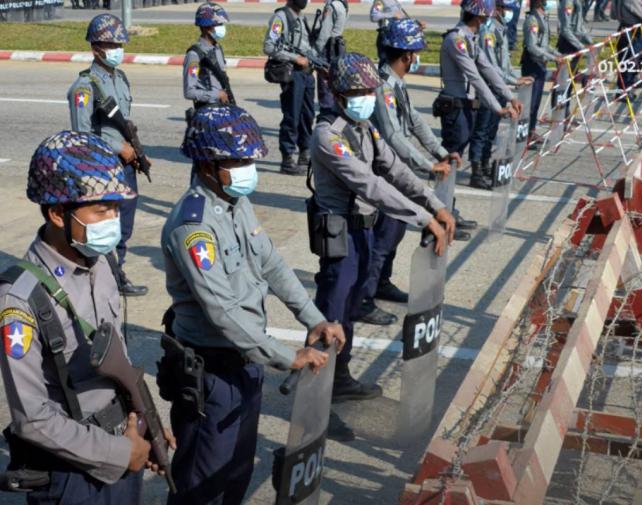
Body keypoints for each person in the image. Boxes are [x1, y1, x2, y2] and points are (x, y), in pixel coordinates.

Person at [160, 104, 345, 505]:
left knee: (237, 473)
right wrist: (285, 356)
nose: (248, 168)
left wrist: (314, 318)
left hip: (248, 363)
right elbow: (222, 311)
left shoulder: (233, 202)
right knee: (201, 483)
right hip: (213, 374)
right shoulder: (192, 226)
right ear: (208, 164)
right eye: (238, 160)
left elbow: (272, 263)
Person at [0, 130, 172, 505]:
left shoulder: (102, 262)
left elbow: (117, 359)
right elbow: (32, 417)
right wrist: (119, 454)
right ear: (58, 213)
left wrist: (147, 423)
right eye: (101, 209)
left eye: (115, 207)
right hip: (72, 476)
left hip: (124, 442)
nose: (113, 219)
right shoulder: (20, 299)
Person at [310, 52, 456, 406]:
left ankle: (339, 377)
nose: (366, 97)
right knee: (333, 310)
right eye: (359, 91)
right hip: (340, 233)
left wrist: (433, 203)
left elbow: (394, 169)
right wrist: (423, 218)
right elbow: (370, 185)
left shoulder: (364, 128)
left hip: (362, 230)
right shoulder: (329, 135)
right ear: (341, 94)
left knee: (350, 308)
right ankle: (316, 396)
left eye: (369, 90)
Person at [359, 19, 470, 326]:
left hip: (400, 170)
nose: (416, 57)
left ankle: (381, 283)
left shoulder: (396, 81)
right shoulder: (383, 86)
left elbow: (415, 123)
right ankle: (364, 298)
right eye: (415, 52)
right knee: (384, 236)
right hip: (386, 172)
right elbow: (394, 136)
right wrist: (426, 164)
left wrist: (439, 151)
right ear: (406, 55)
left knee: (392, 234)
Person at [67, 14, 148, 297]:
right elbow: (83, 136)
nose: (117, 49)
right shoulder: (84, 87)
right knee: (105, 225)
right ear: (95, 48)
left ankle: (115, 272)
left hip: (125, 165)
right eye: (111, 43)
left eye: (119, 43)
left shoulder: (120, 78)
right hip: (102, 169)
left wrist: (134, 151)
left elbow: (123, 121)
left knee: (124, 225)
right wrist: (118, 148)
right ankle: (108, 279)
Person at [436, 0, 521, 188]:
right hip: (455, 107)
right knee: (450, 157)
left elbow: (488, 69)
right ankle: (440, 206)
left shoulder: (471, 39)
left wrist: (510, 96)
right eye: (484, 16)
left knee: (454, 158)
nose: (486, 20)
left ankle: (445, 204)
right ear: (476, 17)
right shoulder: (456, 40)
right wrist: (498, 108)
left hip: (466, 105)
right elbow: (475, 76)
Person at [470, 0, 533, 187]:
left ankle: (485, 164)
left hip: (499, 86)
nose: (507, 13)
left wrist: (516, 77)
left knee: (491, 130)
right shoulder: (487, 31)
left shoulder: (500, 29)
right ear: (496, 9)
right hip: (488, 87)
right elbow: (491, 66)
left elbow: (504, 64)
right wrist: (513, 81)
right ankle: (476, 172)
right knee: (482, 130)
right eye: (504, 9)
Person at [263, 0, 319, 176]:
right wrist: (295, 58)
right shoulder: (280, 17)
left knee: (307, 115)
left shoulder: (301, 18)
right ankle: (287, 158)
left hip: (307, 73)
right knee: (292, 116)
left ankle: (305, 153)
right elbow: (269, 46)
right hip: (293, 73)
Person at [521, 0, 562, 147]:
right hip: (532, 65)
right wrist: (552, 58)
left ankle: (531, 131)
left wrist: (557, 55)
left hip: (540, 64)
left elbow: (544, 45)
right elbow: (532, 46)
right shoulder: (532, 20)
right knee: (530, 104)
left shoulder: (541, 18)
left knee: (536, 103)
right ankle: (525, 136)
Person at [183, 3, 235, 110]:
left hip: (223, 107)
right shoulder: (194, 55)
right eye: (218, 25)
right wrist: (216, 95)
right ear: (206, 27)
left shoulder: (217, 48)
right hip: (207, 111)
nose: (222, 28)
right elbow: (189, 92)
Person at [610, 0, 642, 96]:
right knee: (632, 59)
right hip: (633, 31)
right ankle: (624, 89)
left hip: (624, 28)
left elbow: (613, 15)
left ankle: (629, 82)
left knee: (629, 59)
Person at [557, 0, 593, 118]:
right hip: (568, 45)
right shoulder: (568, 2)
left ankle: (565, 113)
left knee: (570, 83)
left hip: (575, 45)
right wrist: (581, 46)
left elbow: (579, 26)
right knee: (563, 83)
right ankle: (559, 115)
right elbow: (566, 29)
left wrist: (589, 41)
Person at [313, 0, 349, 117]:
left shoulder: (332, 6)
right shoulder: (342, 4)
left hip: (328, 49)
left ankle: (326, 118)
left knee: (325, 88)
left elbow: (324, 33)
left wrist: (314, 52)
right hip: (337, 47)